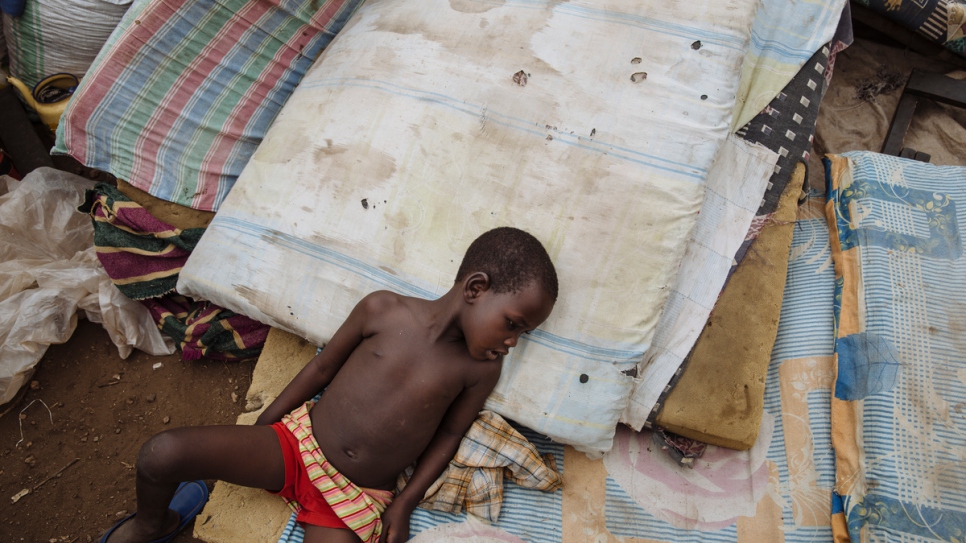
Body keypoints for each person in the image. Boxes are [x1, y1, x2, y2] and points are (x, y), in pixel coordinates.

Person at [101, 226, 559, 543]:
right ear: (476, 289)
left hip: (353, 496)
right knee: (161, 454)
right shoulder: (383, 310)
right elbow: (320, 371)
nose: (511, 343)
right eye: (513, 324)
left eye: (523, 335)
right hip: (294, 447)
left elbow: (450, 435)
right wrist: (266, 426)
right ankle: (151, 526)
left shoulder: (480, 371)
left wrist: (404, 504)